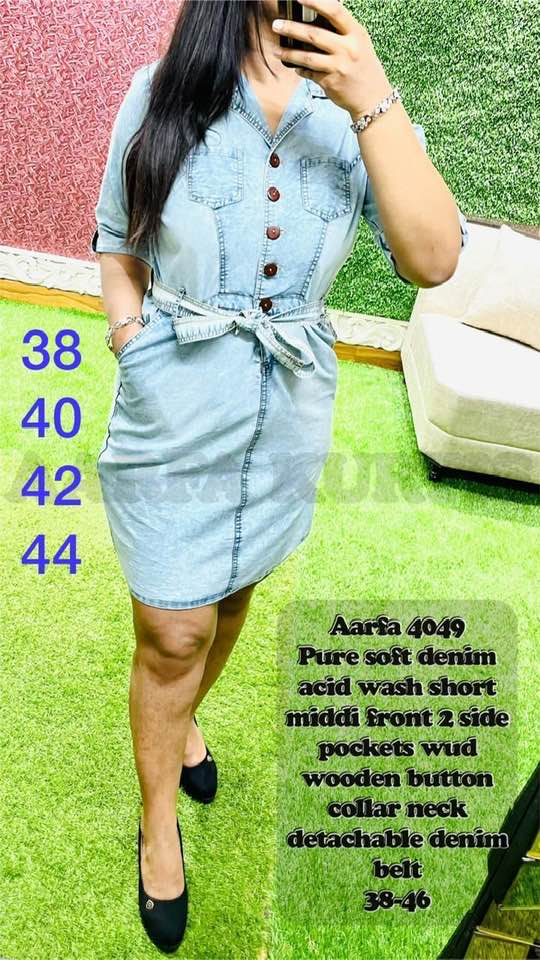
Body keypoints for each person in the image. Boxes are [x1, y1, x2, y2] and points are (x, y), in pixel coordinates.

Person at [91, 0, 469, 951]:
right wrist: (133, 342)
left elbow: (432, 259)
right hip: (173, 407)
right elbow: (117, 241)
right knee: (173, 628)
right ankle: (158, 817)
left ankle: (183, 724)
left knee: (230, 598)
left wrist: (370, 91)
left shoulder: (364, 105)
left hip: (287, 415)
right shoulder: (162, 92)